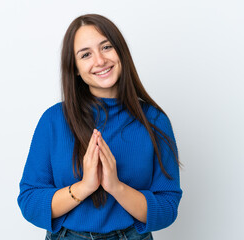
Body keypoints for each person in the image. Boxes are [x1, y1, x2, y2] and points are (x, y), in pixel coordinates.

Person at [17, 14, 182, 240]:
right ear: (75, 68)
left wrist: (116, 187)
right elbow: (30, 202)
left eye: (106, 47)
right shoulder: (53, 120)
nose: (100, 60)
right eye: (86, 55)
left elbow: (167, 208)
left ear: (120, 51)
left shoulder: (154, 120)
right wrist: (85, 187)